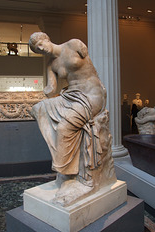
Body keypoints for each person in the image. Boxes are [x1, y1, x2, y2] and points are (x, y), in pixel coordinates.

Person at [29, 32, 107, 186]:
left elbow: (92, 68)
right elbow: (51, 89)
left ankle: (66, 170)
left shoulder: (74, 44)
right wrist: (46, 89)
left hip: (91, 95)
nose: (41, 49)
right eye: (38, 50)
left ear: (47, 39)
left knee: (65, 127)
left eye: (40, 45)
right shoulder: (51, 65)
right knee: (38, 109)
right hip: (71, 95)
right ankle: (63, 159)